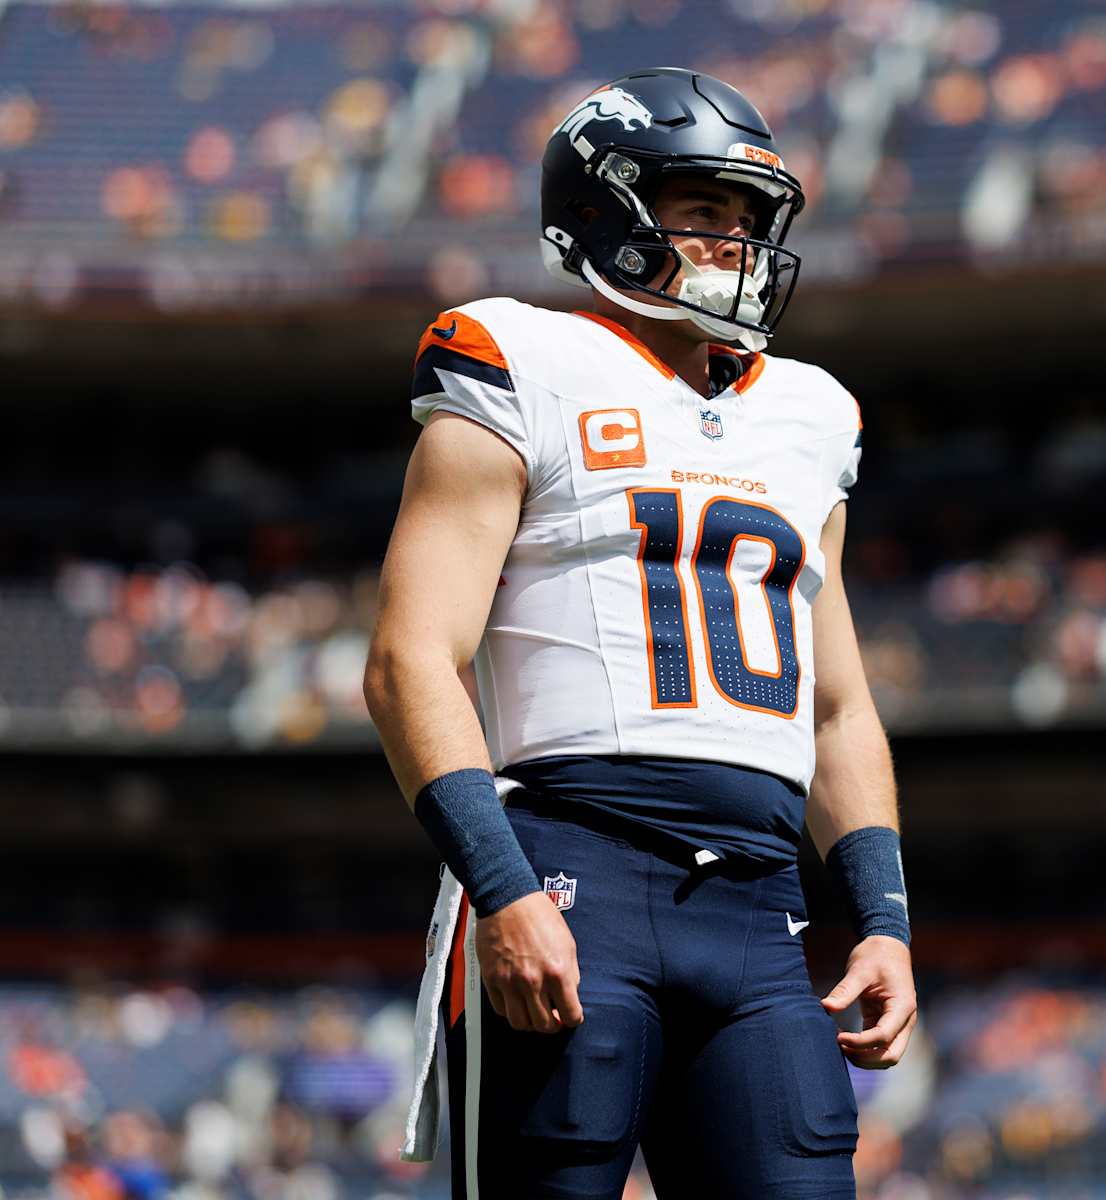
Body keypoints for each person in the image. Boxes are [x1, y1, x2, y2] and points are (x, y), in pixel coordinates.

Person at [365, 68, 915, 1199]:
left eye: (747, 221)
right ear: (609, 209)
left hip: (762, 908)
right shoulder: (518, 357)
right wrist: (505, 890)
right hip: (574, 871)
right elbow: (411, 659)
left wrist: (883, 917)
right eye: (702, 211)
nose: (734, 244)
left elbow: (839, 701)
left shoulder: (812, 414)